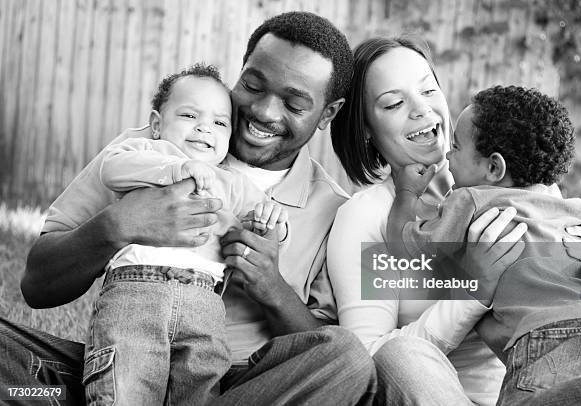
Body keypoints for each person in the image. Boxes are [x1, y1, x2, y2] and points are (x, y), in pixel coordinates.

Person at [3, 12, 377, 405]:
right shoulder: (150, 149)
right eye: (252, 85)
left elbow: (321, 348)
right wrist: (116, 225)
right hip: (123, 363)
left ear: (328, 114)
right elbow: (37, 284)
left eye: (295, 103)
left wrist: (273, 287)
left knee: (348, 360)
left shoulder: (336, 211)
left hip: (246, 388)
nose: (265, 112)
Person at [328, 36, 528, 406]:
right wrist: (472, 291)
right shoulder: (369, 215)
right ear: (367, 129)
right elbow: (371, 360)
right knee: (400, 356)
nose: (422, 110)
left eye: (428, 90)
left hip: (535, 392)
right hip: (442, 396)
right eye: (394, 103)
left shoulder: (512, 185)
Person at [388, 85, 581, 406]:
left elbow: (404, 248)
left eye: (456, 146)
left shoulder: (472, 201)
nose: (448, 155)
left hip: (551, 342)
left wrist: (406, 192)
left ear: (494, 168)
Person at [87, 62, 291, 405]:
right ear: (156, 124)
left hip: (203, 301)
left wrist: (274, 220)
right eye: (189, 116)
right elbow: (112, 170)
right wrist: (177, 168)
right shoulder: (148, 154)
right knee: (125, 379)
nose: (204, 129)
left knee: (201, 381)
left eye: (219, 122)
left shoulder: (231, 183)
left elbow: (263, 214)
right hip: (136, 291)